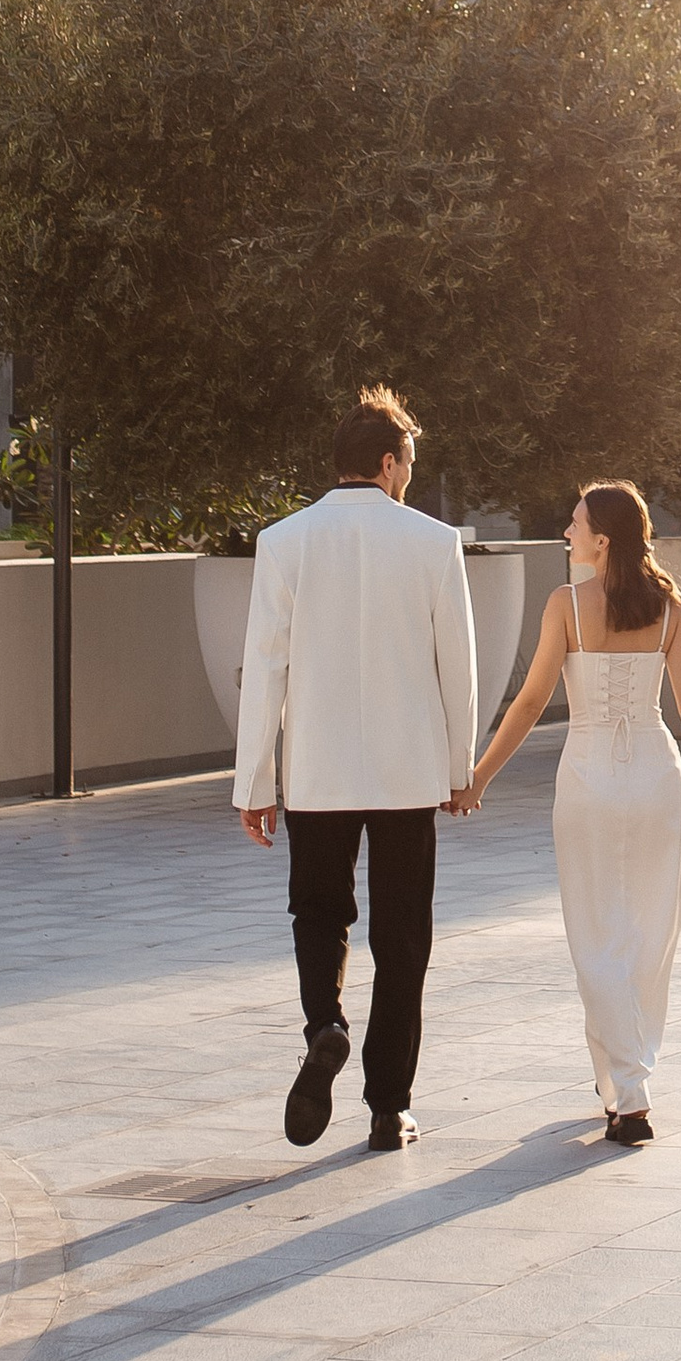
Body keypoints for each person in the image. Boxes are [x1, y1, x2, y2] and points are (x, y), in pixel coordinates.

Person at [451, 478, 681, 1143]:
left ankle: (628, 1086)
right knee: (649, 932)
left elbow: (531, 702)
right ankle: (628, 1080)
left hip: (590, 777)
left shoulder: (565, 603)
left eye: (575, 521)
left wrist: (478, 778)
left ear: (602, 537)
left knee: (596, 932)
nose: (566, 530)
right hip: (655, 775)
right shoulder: (673, 608)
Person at [234, 387, 478, 1154]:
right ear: (386, 462)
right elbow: (458, 670)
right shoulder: (435, 542)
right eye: (408, 461)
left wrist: (254, 782)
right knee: (403, 935)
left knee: (318, 913)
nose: (410, 474)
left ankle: (325, 1025)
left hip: (317, 771)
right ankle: (388, 1106)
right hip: (408, 773)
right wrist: (459, 766)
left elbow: (264, 668)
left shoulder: (284, 541)